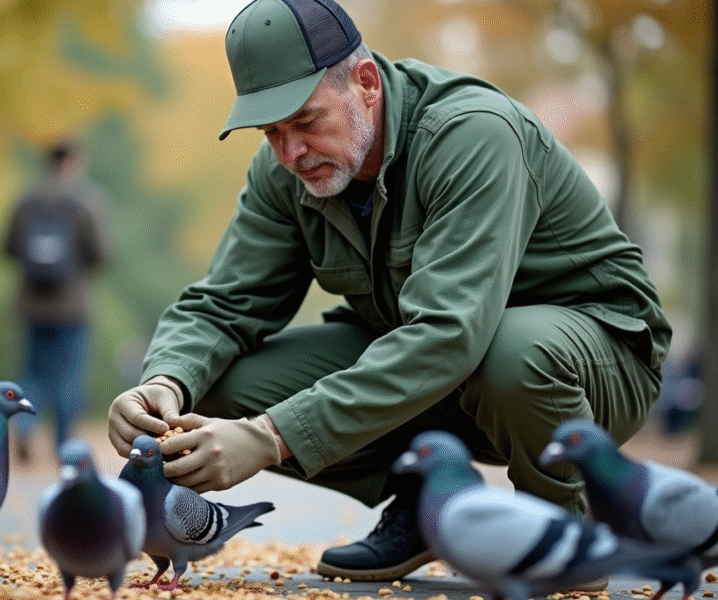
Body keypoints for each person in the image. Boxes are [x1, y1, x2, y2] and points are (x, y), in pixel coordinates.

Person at [107, 0, 671, 583]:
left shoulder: (472, 134)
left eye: (305, 121)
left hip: (592, 369)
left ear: (367, 83)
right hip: (446, 371)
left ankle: (563, 541)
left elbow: (449, 333)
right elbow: (223, 304)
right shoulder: (284, 171)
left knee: (512, 349)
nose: (290, 152)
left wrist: (271, 437)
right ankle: (430, 502)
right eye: (271, 131)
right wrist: (163, 384)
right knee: (217, 386)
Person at [4, 138, 112, 459]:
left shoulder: (26, 200)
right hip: (72, 305)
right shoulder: (86, 201)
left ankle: (24, 427)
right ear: (74, 162)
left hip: (33, 304)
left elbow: (8, 247)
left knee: (32, 371)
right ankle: (63, 445)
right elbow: (102, 254)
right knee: (69, 375)